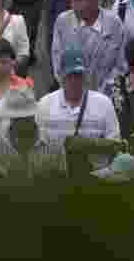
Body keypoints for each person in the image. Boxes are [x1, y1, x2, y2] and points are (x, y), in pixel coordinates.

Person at [37, 47, 124, 178]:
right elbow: (38, 148)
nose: (74, 81)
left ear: (85, 76)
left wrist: (89, 144)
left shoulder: (104, 103)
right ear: (60, 75)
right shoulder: (45, 104)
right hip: (56, 180)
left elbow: (115, 145)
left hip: (97, 180)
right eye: (70, 76)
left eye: (78, 76)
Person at [51, 0, 126, 92]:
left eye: (78, 0)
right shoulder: (63, 21)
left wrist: (102, 93)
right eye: (72, 0)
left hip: (106, 96)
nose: (73, 6)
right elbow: (58, 61)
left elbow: (120, 65)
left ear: (95, 0)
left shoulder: (114, 24)